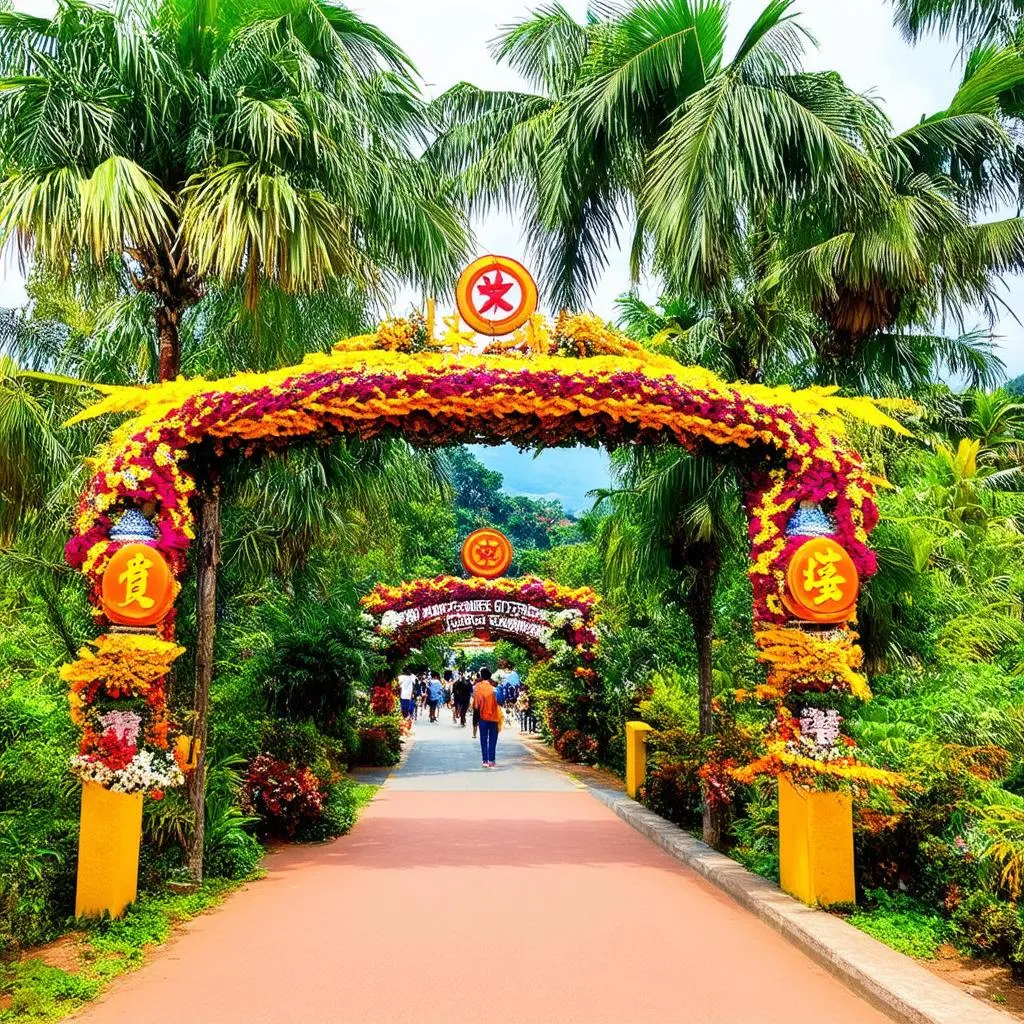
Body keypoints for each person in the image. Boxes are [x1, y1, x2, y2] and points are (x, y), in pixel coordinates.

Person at [473, 667, 501, 768]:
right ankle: (492, 760)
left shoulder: (477, 687)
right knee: (493, 739)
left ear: (481, 676)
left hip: (482, 717)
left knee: (483, 739)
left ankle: (485, 760)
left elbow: (476, 704)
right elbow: (501, 701)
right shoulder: (495, 689)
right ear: (490, 677)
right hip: (494, 717)